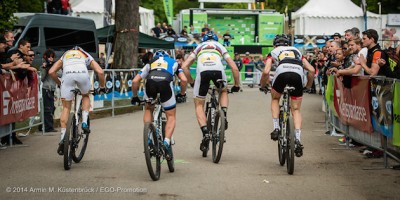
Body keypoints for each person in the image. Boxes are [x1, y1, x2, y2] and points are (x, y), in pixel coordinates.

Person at [181, 32, 240, 152]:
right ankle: (223, 113)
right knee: (223, 91)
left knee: (199, 104)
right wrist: (236, 85)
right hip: (218, 71)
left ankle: (205, 133)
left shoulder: (199, 47)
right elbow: (234, 67)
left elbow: (184, 67)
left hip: (203, 72)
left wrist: (191, 81)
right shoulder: (219, 46)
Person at [259, 34, 315, 157]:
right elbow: (311, 70)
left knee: (275, 99)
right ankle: (298, 139)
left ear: (275, 45)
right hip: (297, 74)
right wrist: (308, 87)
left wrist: (263, 85)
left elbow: (266, 71)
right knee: (295, 109)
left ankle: (276, 128)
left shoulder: (273, 51)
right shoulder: (297, 52)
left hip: (282, 72)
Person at [131, 50, 187, 160]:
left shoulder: (150, 62)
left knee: (148, 109)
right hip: (166, 84)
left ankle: (148, 137)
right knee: (171, 116)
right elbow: (184, 80)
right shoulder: (173, 62)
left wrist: (135, 96)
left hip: (151, 83)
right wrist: (182, 94)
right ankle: (166, 142)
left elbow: (135, 81)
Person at [49, 46, 106, 155]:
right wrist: (102, 87)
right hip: (82, 75)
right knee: (85, 96)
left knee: (66, 107)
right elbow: (100, 72)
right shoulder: (84, 54)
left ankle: (63, 138)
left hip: (67, 77)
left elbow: (51, 72)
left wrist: (59, 83)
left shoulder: (65, 55)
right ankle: (84, 121)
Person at [40, 49, 60, 132]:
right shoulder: (42, 66)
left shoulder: (55, 66)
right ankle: (48, 127)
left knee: (52, 108)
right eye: (49, 57)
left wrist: (53, 69)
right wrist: (45, 69)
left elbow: (60, 74)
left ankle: (42, 126)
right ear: (46, 57)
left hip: (52, 89)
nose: (51, 58)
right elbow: (42, 78)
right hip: (46, 88)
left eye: (52, 57)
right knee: (48, 109)